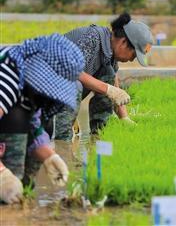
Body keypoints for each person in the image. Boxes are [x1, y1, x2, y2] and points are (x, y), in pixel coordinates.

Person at [0, 34, 85, 204]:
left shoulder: (27, 86)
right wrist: (2, 174)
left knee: (38, 123)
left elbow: (33, 127)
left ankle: (20, 196)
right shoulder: (7, 74)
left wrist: (49, 157)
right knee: (16, 118)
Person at [55, 12, 154, 141]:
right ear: (123, 42)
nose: (131, 60)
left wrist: (124, 117)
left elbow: (113, 82)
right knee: (78, 84)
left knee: (108, 77)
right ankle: (61, 143)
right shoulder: (92, 38)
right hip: (41, 92)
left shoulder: (110, 53)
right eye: (133, 55)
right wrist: (107, 89)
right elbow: (72, 71)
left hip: (59, 94)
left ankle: (99, 134)